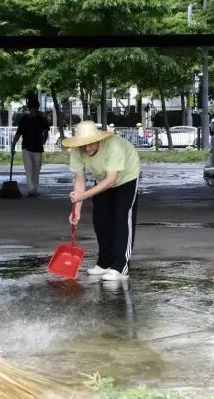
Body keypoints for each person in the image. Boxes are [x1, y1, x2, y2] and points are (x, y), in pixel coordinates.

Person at [64, 120, 141, 282]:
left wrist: (83, 196)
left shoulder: (114, 146)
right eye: (83, 145)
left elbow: (111, 180)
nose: (87, 148)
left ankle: (120, 267)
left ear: (99, 139)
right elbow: (79, 180)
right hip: (102, 179)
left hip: (126, 177)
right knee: (101, 220)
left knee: (121, 219)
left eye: (91, 144)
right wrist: (76, 210)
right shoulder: (77, 151)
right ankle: (104, 263)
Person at [12, 97, 51, 197]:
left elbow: (46, 131)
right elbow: (18, 133)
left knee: (36, 169)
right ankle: (31, 189)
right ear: (29, 109)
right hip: (26, 148)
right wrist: (13, 145)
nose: (33, 110)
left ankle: (34, 187)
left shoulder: (42, 119)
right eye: (32, 109)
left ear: (37, 109)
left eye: (35, 109)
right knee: (28, 169)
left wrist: (44, 139)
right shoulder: (24, 120)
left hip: (38, 148)